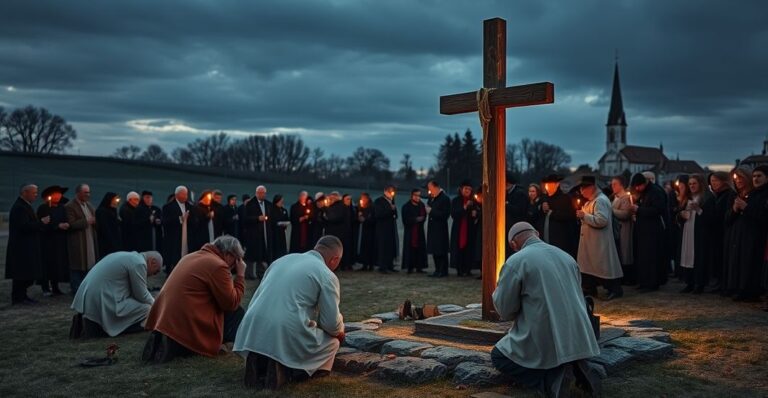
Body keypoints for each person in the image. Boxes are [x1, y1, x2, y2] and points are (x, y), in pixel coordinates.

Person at [492, 222, 601, 397]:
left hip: (547, 334)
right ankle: (574, 366)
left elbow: (505, 310)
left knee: (499, 356)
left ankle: (549, 379)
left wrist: (497, 292)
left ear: (513, 244)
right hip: (579, 334)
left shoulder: (516, 261)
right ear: (537, 233)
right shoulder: (566, 257)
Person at [235, 236, 345, 390]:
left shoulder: (282, 260)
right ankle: (293, 371)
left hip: (253, 328)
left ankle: (261, 360)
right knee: (332, 343)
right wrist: (340, 330)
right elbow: (331, 324)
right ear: (335, 259)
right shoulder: (326, 274)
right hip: (283, 330)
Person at [142, 235, 246, 363]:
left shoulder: (190, 257)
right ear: (228, 255)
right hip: (187, 323)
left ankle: (165, 340)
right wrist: (240, 276)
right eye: (236, 260)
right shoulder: (218, 265)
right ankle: (223, 343)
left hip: (165, 319)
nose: (234, 266)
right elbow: (231, 303)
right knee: (238, 312)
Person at [71, 251, 162, 337]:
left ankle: (90, 323)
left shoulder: (127, 256)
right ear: (152, 262)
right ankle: (105, 329)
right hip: (103, 299)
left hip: (89, 298)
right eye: (156, 271)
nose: (153, 275)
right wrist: (157, 306)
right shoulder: (139, 263)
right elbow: (141, 295)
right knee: (147, 309)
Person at [575, 176, 624, 300]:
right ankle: (590, 289)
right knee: (589, 268)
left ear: (591, 188)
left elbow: (602, 221)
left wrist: (584, 216)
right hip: (592, 242)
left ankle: (614, 289)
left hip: (599, 243)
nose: (581, 192)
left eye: (583, 188)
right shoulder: (591, 201)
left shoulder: (600, 201)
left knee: (604, 268)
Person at [724, 166, 768, 301]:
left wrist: (746, 207)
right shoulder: (741, 195)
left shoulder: (761, 194)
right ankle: (738, 288)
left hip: (754, 235)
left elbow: (762, 216)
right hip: (738, 235)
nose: (756, 179)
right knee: (738, 263)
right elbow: (727, 219)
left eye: (759, 176)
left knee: (750, 264)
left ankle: (749, 291)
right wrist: (735, 209)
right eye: (754, 176)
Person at [6, 184, 50, 304]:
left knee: (25, 273)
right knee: (21, 273)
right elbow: (24, 226)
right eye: (34, 193)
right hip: (22, 247)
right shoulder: (20, 207)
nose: (36, 195)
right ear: (25, 192)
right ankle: (19, 297)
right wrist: (41, 222)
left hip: (26, 245)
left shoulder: (25, 206)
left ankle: (22, 296)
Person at [629, 173, 667, 292]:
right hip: (643, 230)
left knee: (651, 258)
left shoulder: (656, 192)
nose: (637, 189)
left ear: (644, 183)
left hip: (652, 232)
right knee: (642, 257)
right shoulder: (645, 192)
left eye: (638, 186)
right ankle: (643, 281)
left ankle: (651, 283)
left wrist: (638, 209)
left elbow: (657, 210)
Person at [680, 174, 714, 294]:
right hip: (688, 229)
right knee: (688, 256)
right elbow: (680, 213)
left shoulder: (707, 197)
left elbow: (711, 218)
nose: (692, 186)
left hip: (700, 232)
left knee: (698, 257)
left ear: (700, 183)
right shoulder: (688, 197)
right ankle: (689, 282)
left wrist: (699, 209)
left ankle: (699, 283)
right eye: (690, 184)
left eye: (694, 183)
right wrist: (681, 215)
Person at [37, 185, 70, 296]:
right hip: (47, 241)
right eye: (56, 194)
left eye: (60, 194)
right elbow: (43, 224)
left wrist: (66, 224)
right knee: (47, 263)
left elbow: (65, 218)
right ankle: (45, 287)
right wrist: (56, 226)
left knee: (57, 263)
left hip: (60, 240)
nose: (58, 196)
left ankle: (56, 287)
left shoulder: (62, 207)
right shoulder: (43, 208)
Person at [66, 184, 98, 294]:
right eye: (85, 192)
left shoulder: (89, 205)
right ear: (78, 193)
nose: (87, 195)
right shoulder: (70, 206)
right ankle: (76, 289)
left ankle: (85, 288)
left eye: (88, 192)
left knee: (89, 264)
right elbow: (71, 224)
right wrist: (87, 221)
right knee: (77, 265)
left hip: (89, 239)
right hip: (78, 241)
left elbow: (95, 218)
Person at [706, 172, 735, 292]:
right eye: (712, 181)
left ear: (724, 181)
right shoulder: (716, 195)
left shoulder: (729, 195)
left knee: (722, 257)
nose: (713, 183)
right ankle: (717, 281)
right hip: (715, 231)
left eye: (716, 181)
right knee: (716, 257)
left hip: (723, 231)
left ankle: (722, 283)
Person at [539, 175, 578, 258]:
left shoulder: (565, 198)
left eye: (550, 184)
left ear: (557, 185)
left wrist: (552, 213)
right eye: (547, 184)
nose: (547, 187)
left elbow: (570, 215)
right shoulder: (544, 198)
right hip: (545, 238)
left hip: (560, 239)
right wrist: (541, 208)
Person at [161, 186, 195, 274]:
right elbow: (165, 222)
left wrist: (189, 219)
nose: (185, 196)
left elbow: (195, 220)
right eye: (183, 194)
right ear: (177, 195)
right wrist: (180, 219)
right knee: (174, 255)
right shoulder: (168, 207)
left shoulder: (190, 206)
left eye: (186, 194)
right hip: (174, 236)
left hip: (188, 235)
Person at [243, 185, 273, 279]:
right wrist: (257, 218)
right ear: (256, 193)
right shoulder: (250, 204)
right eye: (260, 193)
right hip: (254, 234)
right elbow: (245, 219)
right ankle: (249, 273)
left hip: (265, 232)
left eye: (263, 193)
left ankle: (261, 272)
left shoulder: (268, 204)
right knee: (252, 254)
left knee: (263, 253)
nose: (262, 195)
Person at [610, 176, 635, 285]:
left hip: (624, 228)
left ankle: (628, 277)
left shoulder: (625, 198)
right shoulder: (615, 197)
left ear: (621, 185)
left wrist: (611, 210)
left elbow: (625, 214)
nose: (612, 186)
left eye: (615, 184)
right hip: (616, 229)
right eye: (612, 184)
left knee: (625, 252)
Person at [451, 181, 478, 277]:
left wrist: (475, 214)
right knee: (459, 248)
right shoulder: (456, 201)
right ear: (461, 189)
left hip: (470, 229)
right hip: (459, 228)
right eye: (466, 189)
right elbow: (454, 215)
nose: (467, 191)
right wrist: (465, 207)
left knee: (469, 248)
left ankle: (468, 269)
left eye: (469, 189)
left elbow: (476, 215)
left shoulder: (474, 201)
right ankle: (459, 269)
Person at [427, 180, 451, 278]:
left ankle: (443, 270)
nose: (429, 190)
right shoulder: (433, 198)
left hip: (440, 229)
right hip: (433, 228)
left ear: (435, 187)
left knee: (441, 250)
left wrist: (431, 211)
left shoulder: (444, 198)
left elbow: (445, 215)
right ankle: (437, 270)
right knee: (435, 250)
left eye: (430, 188)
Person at [324, 192, 353, 271]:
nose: (330, 200)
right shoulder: (339, 206)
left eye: (331, 198)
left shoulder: (339, 207)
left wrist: (327, 216)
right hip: (337, 232)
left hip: (338, 232)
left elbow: (335, 218)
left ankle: (339, 265)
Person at [401, 189, 427, 274]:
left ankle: (419, 267)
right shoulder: (406, 206)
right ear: (412, 195)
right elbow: (405, 220)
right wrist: (415, 219)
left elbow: (424, 216)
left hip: (419, 231)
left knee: (419, 249)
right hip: (410, 231)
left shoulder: (421, 205)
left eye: (419, 195)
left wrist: (421, 219)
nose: (417, 197)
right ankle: (410, 267)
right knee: (410, 249)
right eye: (415, 195)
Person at [374, 185, 398, 274]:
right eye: (389, 191)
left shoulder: (392, 200)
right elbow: (378, 215)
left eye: (392, 191)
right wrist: (390, 210)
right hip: (382, 229)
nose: (391, 193)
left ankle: (390, 265)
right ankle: (382, 266)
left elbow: (395, 214)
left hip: (391, 228)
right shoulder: (379, 201)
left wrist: (394, 211)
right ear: (385, 191)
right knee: (383, 247)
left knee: (390, 247)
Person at [505, 172, 530, 258]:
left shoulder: (520, 194)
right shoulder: (506, 193)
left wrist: (507, 205)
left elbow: (520, 211)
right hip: (508, 227)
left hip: (516, 227)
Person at [95, 192, 122, 258]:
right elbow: (104, 228)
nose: (116, 202)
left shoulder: (113, 210)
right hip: (106, 243)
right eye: (114, 200)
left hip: (115, 241)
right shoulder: (101, 211)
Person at [356, 193, 376, 271]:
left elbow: (373, 219)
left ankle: (371, 265)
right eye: (362, 198)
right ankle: (364, 264)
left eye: (364, 198)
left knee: (370, 247)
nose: (363, 200)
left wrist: (365, 220)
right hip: (364, 230)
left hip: (370, 231)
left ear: (368, 199)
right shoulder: (361, 207)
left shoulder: (372, 207)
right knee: (364, 247)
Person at [270, 194, 290, 260]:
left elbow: (287, 219)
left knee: (282, 248)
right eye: (281, 201)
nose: (282, 203)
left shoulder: (283, 210)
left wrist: (285, 223)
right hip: (275, 232)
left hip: (282, 232)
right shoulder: (272, 209)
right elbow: (272, 220)